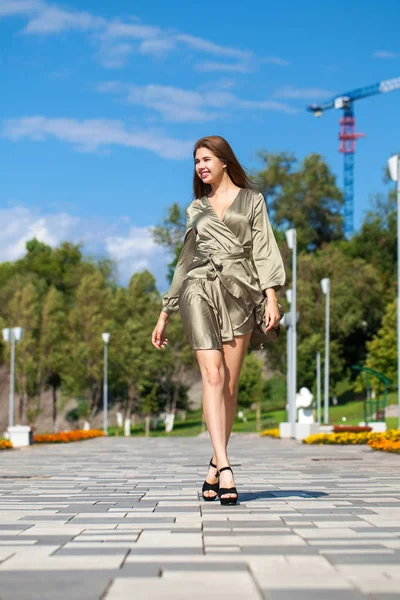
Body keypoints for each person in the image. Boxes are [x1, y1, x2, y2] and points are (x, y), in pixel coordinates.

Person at [152, 135, 286, 505]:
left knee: (229, 385)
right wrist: (166, 311)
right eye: (196, 161)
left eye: (207, 158)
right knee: (212, 376)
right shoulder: (196, 208)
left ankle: (213, 464)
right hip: (199, 288)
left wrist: (271, 295)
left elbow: (264, 248)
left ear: (225, 161)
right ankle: (226, 466)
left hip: (241, 293)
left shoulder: (253, 201)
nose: (201, 166)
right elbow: (184, 261)